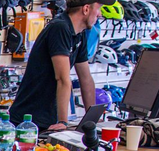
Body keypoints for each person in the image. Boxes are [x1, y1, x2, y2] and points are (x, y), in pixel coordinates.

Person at [9, 0, 111, 131]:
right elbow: (62, 78)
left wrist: (92, 120)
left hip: (48, 119)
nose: (100, 14)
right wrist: (63, 122)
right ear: (86, 9)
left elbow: (86, 78)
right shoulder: (60, 28)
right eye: (98, 8)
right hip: (29, 120)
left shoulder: (79, 34)